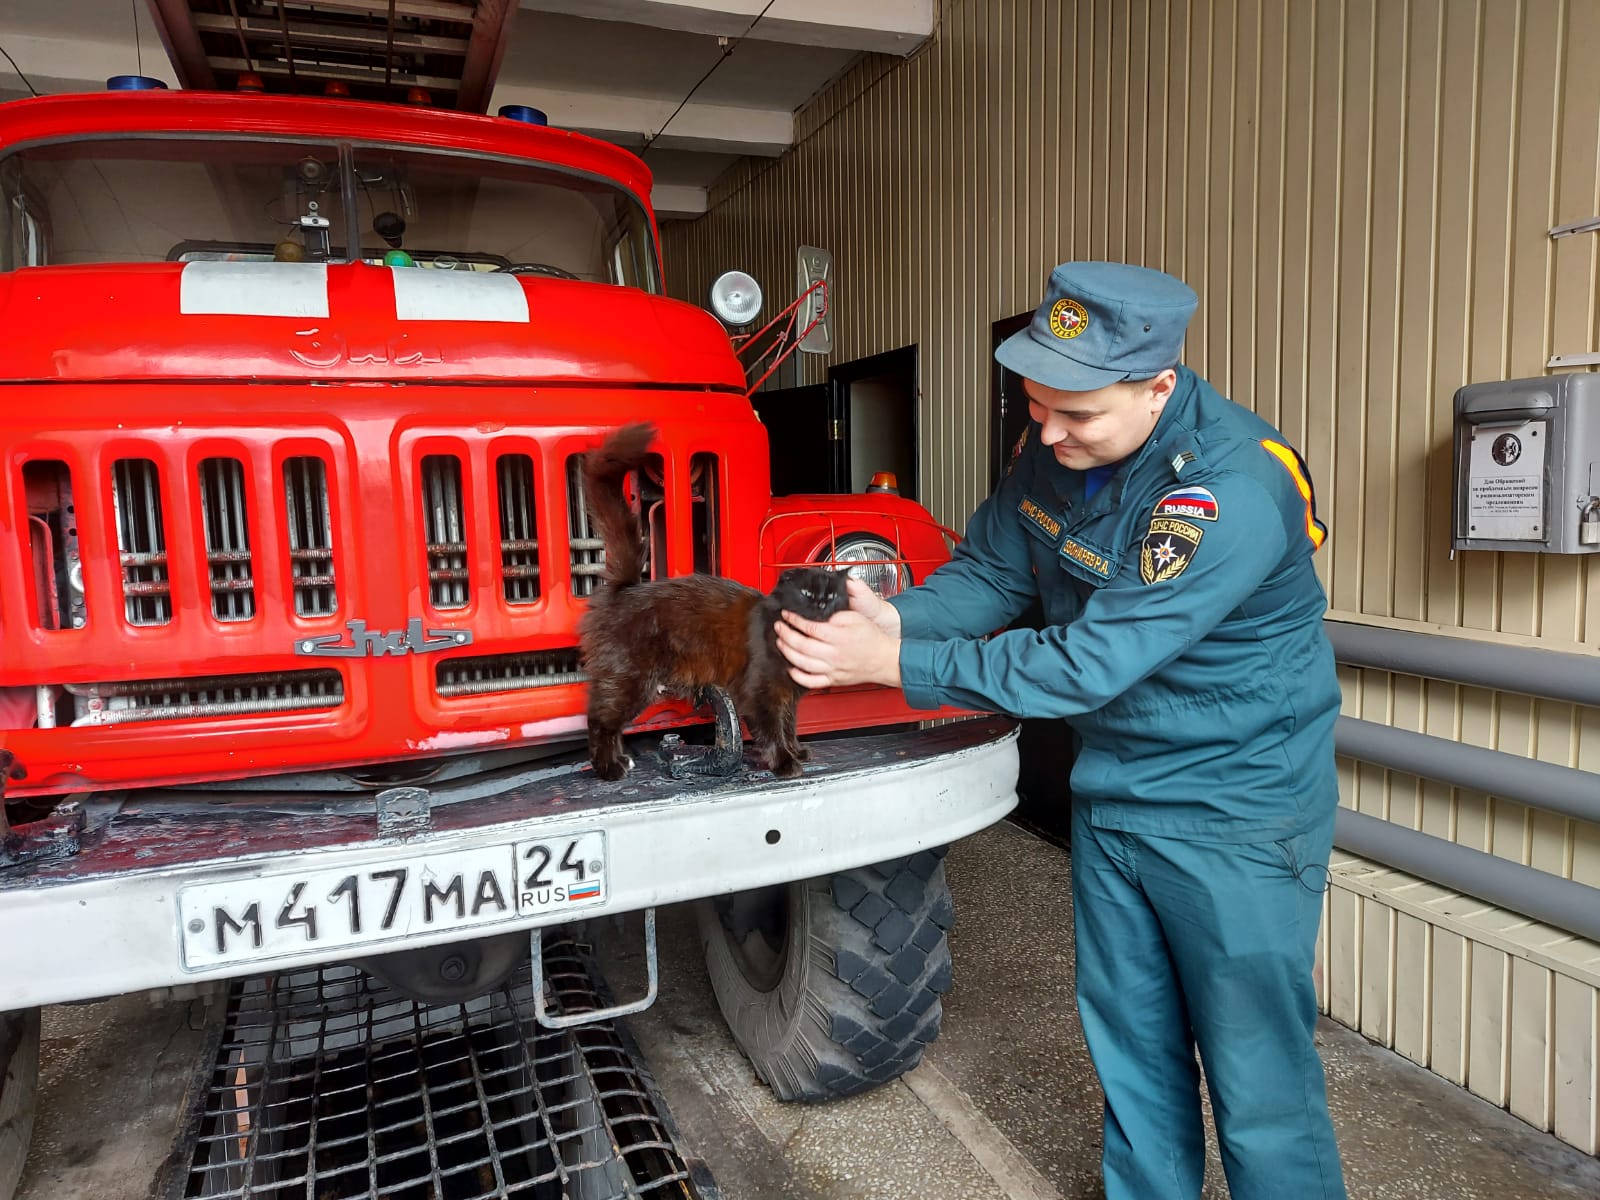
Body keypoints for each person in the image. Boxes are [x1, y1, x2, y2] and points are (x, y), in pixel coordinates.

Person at [775, 261, 1347, 1200]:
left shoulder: (1229, 490)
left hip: (1233, 811)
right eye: (1038, 405)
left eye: (1077, 413)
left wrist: (899, 668)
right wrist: (901, 621)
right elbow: (996, 574)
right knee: (1132, 1049)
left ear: (1159, 386)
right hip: (1115, 791)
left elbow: (1090, 661)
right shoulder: (1054, 451)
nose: (1049, 431)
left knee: (1257, 1080)